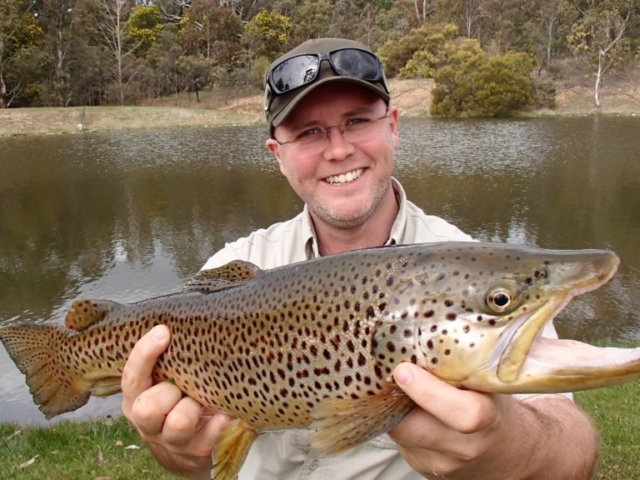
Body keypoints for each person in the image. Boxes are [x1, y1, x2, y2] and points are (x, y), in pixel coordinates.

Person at [121, 38, 599, 480]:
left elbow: (571, 442)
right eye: (308, 132)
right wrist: (175, 445)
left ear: (392, 127)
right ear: (277, 155)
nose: (339, 148)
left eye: (356, 121)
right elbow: (187, 459)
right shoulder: (236, 266)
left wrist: (509, 446)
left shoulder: (477, 270)